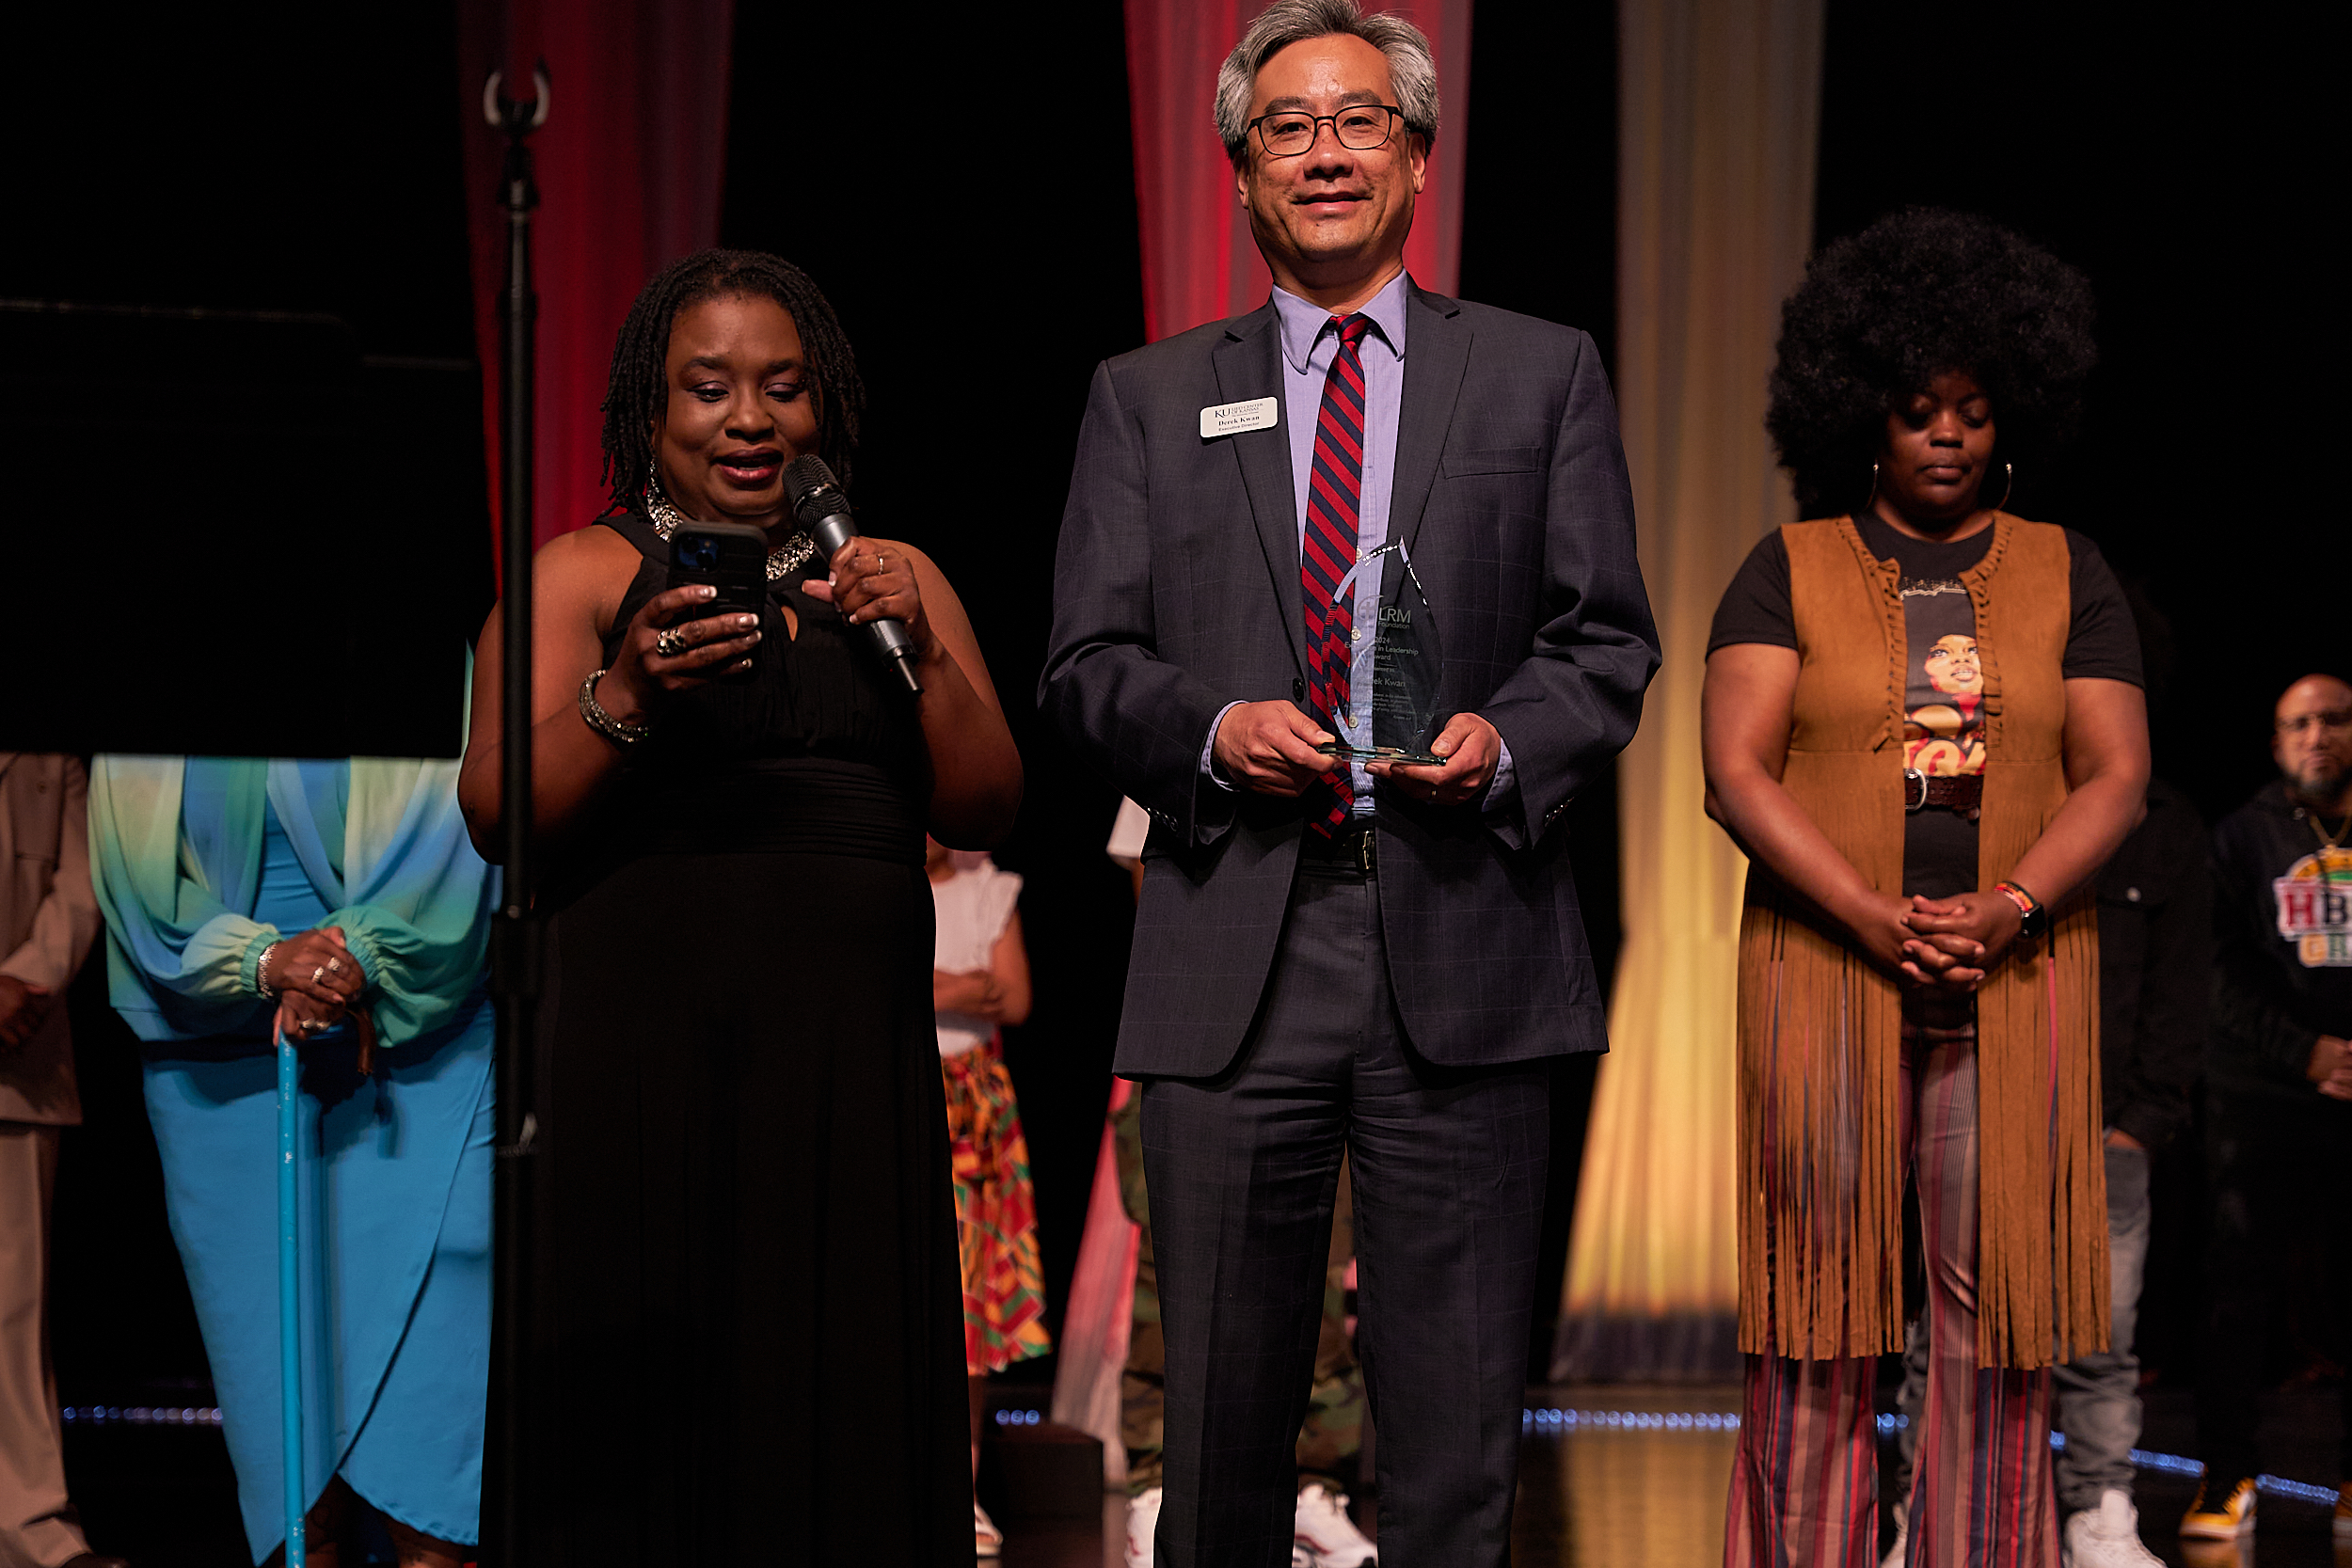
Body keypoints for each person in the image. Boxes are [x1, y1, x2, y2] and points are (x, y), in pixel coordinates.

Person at [1037, 2, 1660, 1559]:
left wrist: (1506, 738)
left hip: (1467, 935)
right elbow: (1087, 661)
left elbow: (1605, 641)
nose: (1324, 151)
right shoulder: (1146, 393)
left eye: (1358, 119)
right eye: (1288, 126)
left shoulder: (1539, 372)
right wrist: (1212, 729)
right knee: (1222, 1442)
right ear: (1243, 170)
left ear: (1418, 155)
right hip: (1235, 941)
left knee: (1454, 1448)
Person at [457, 248, 1022, 1564]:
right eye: (708, 388)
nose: (750, 418)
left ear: (823, 406)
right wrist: (627, 695)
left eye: (783, 385)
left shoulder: (893, 576)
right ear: (651, 414)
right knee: (648, 1408)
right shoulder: (583, 574)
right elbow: (494, 808)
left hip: (846, 1079)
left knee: (835, 1387)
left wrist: (920, 648)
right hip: (638, 1068)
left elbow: (989, 799)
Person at [1702, 206, 2147, 1566]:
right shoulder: (1788, 566)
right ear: (1866, 418)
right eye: (1916, 410)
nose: (1945, 434)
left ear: (2007, 417)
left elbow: (2115, 774)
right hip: (1826, 976)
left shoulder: (2070, 568)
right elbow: (1735, 770)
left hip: (2017, 978)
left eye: (1970, 409)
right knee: (1819, 1313)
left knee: (1995, 1317)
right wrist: (1870, 914)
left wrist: (2008, 906)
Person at [85, 746, 498, 1568]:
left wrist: (351, 959)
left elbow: (461, 834)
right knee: (299, 1503)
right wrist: (264, 961)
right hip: (219, 1071)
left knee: (434, 1494)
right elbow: (133, 871)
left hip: (420, 1044)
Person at [1883, 778, 2210, 1567]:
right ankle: (1921, 1513)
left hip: (2104, 1114)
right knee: (1947, 1326)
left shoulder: (2162, 823)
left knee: (2103, 1332)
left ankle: (2099, 1511)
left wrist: (2143, 1121)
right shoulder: (1982, 797)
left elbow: (2182, 978)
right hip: (1979, 1094)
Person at [1099, 801, 1377, 1568]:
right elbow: (1158, 890)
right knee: (1176, 1280)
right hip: (1208, 1029)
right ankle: (1159, 1483)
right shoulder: (1186, 735)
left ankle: (1313, 1486)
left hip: (1329, 1029)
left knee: (1323, 1276)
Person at [2179, 673, 2352, 1543]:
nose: (2317, 735)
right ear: (2276, 742)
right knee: (2237, 1290)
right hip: (2261, 1094)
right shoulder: (2241, 838)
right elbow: (2216, 969)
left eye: (2333, 719)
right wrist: (2305, 1051)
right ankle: (2227, 1475)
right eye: (2298, 723)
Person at [0, 753, 119, 1568]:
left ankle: (31, 1528)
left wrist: (21, 981)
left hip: (18, 1052)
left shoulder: (53, 751)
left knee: (14, 1311)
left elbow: (83, 881)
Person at [926, 837, 1046, 1559]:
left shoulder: (986, 888)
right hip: (905, 1094)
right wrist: (965, 985)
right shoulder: (879, 882)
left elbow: (1015, 996)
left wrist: (934, 986)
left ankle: (961, 1490)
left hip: (973, 1110)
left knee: (968, 1304)